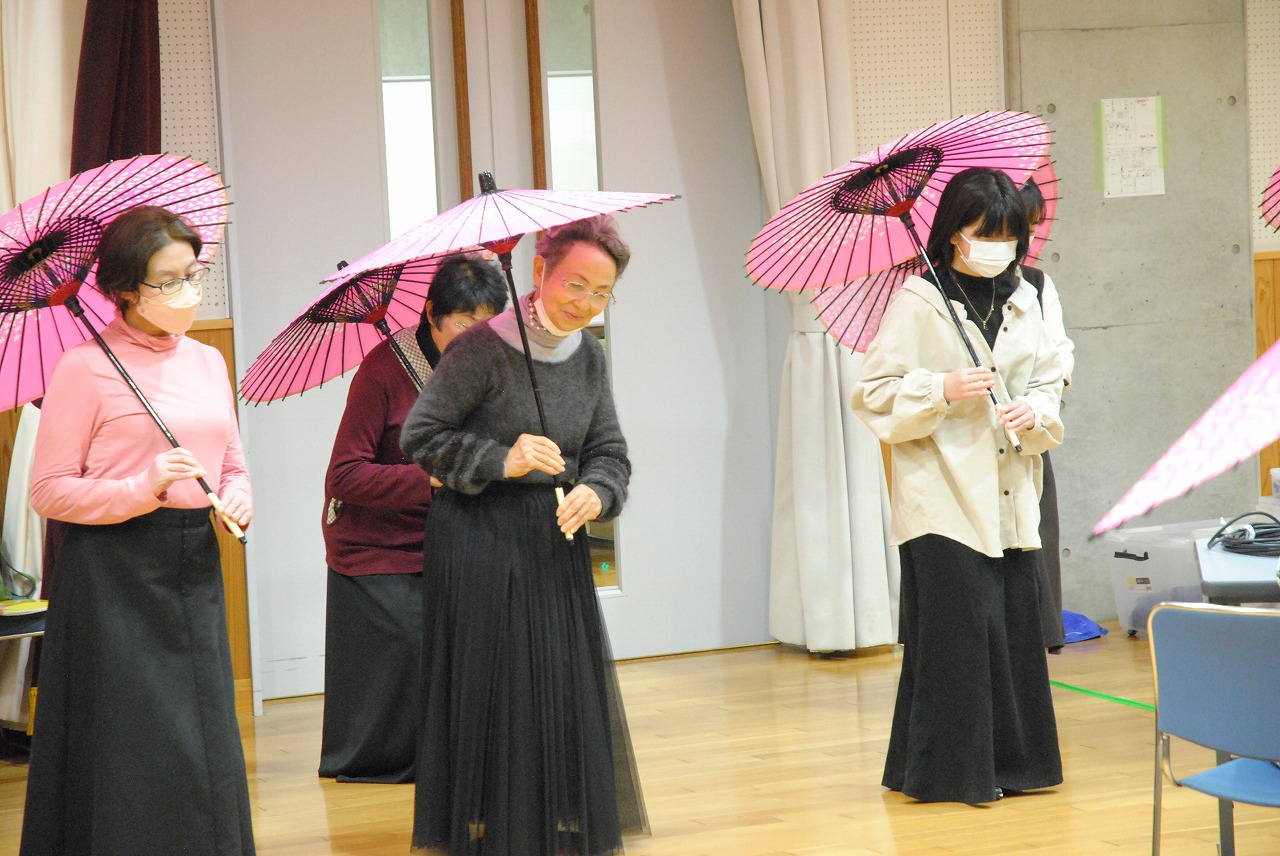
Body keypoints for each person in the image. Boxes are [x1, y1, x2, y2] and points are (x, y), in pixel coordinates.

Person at [400, 215, 647, 855]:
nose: (585, 303)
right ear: (539, 272)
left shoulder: (587, 355)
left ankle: (549, 818)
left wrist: (598, 491)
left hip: (554, 538)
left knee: (558, 683)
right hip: (479, 539)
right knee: (501, 684)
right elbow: (420, 437)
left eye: (602, 293)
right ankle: (498, 824)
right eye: (575, 285)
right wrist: (501, 459)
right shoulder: (481, 348)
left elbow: (609, 450)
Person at [21, 205, 254, 853]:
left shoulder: (207, 361)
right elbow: (48, 491)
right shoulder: (83, 367)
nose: (187, 291)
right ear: (125, 289)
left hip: (192, 561)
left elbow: (232, 464)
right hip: (112, 572)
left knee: (203, 732)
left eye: (193, 274)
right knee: (135, 743)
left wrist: (237, 499)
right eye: (168, 281)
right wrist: (141, 486)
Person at [851, 167, 1065, 806]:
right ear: (952, 233)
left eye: (1008, 236)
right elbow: (873, 394)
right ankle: (949, 775)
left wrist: (1034, 409)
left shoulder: (1033, 291)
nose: (997, 247)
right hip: (940, 493)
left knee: (1013, 626)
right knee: (957, 633)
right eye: (983, 234)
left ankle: (1018, 767)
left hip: (1011, 486)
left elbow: (1052, 375)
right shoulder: (920, 298)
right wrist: (940, 388)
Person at [319, 252, 507, 784]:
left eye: (489, 325)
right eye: (465, 324)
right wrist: (430, 478)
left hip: (449, 534)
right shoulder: (383, 369)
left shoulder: (489, 367)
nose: (478, 337)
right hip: (375, 541)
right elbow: (344, 475)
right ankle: (392, 757)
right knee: (413, 635)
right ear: (431, 314)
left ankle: (472, 754)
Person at [1019, 177, 1076, 652]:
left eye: (1033, 226)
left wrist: (1040, 402)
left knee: (1038, 536)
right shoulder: (933, 290)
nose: (1025, 237)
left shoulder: (1037, 284)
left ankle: (1039, 640)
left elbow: (1059, 356)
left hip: (1027, 433)